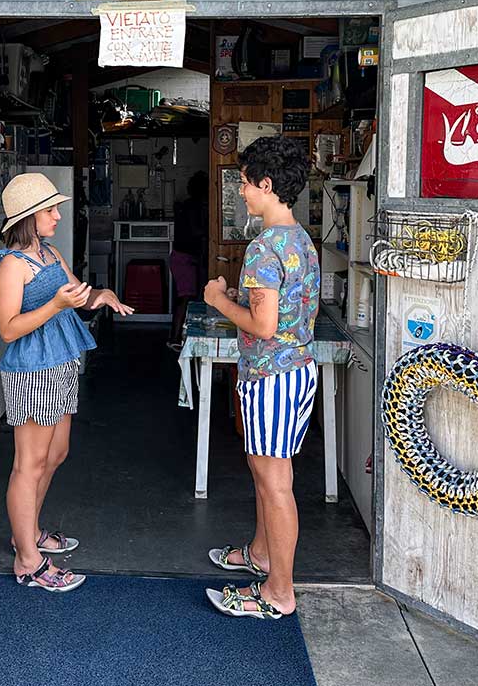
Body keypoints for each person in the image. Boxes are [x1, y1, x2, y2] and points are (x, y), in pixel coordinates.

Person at [0, 172, 134, 593]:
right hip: (32, 369)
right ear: (28, 217)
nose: (58, 215)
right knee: (29, 463)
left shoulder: (51, 254)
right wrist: (56, 304)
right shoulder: (11, 265)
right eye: (49, 210)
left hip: (62, 361)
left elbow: (77, 293)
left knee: (56, 453)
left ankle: (29, 532)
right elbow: (8, 329)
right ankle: (28, 560)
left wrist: (101, 295)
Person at [200, 136, 319, 620]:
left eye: (246, 183)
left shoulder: (263, 247)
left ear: (266, 185)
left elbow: (263, 325)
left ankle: (278, 592)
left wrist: (218, 300)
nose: (242, 191)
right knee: (268, 475)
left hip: (272, 378)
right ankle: (262, 554)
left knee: (274, 484)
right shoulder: (301, 239)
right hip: (295, 374)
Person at [168, 170, 209, 348]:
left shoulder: (188, 205)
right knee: (186, 299)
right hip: (185, 259)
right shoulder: (194, 207)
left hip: (181, 257)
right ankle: (175, 339)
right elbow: (195, 231)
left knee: (186, 299)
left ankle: (179, 338)